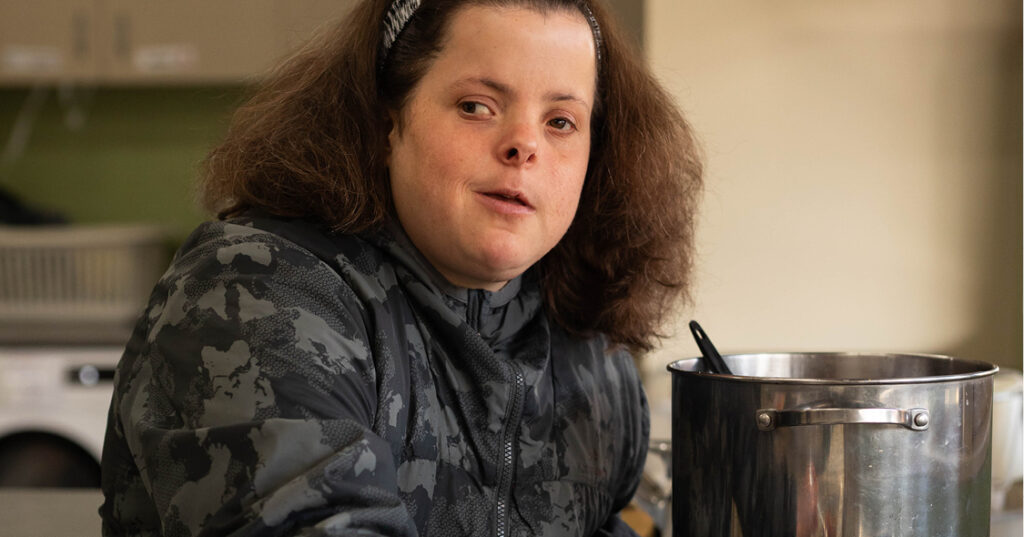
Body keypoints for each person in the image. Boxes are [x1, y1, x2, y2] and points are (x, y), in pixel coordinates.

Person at [99, 0, 702, 535]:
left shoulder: (591, 351)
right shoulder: (253, 291)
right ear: (390, 124)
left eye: (561, 121)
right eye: (477, 106)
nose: (525, 145)